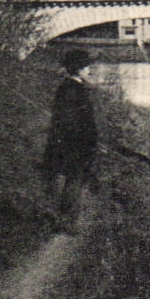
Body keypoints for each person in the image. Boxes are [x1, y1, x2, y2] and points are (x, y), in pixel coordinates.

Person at [43, 48, 98, 234]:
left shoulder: (70, 87)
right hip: (75, 143)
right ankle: (66, 221)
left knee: (69, 179)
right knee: (74, 179)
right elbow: (73, 120)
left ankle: (63, 219)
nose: (90, 69)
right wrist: (87, 141)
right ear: (79, 68)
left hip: (70, 141)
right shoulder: (73, 90)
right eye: (86, 66)